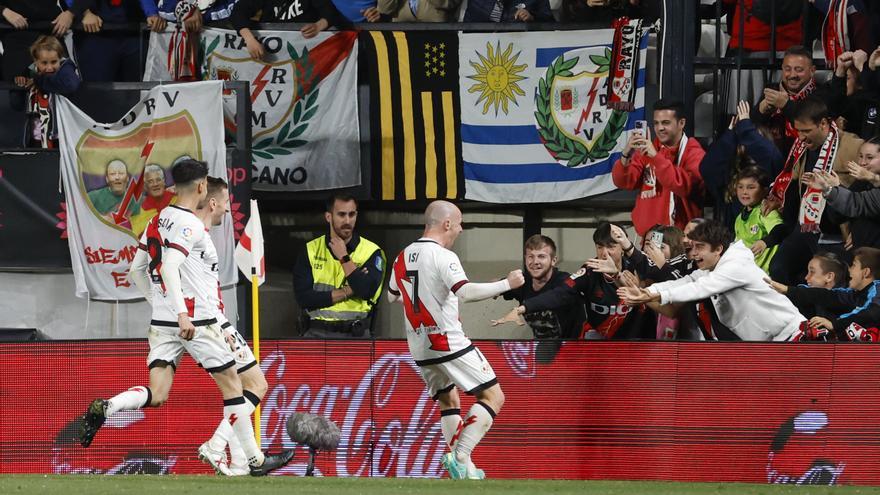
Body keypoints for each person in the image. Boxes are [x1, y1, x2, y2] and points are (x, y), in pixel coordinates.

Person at [76, 160, 292, 476]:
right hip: (199, 321)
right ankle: (253, 460)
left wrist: (160, 303)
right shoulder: (189, 225)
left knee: (158, 393)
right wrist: (181, 313)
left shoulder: (157, 220)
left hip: (164, 322)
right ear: (203, 188)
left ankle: (110, 407)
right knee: (236, 386)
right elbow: (168, 266)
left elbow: (137, 269)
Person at [387, 200, 525, 480]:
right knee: (494, 396)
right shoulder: (442, 256)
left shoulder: (402, 256)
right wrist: (506, 284)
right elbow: (465, 292)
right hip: (447, 341)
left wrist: (424, 297)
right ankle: (461, 454)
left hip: (419, 346)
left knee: (449, 401)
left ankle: (463, 471)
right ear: (447, 223)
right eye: (459, 223)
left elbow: (392, 295)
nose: (461, 230)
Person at [617, 220, 808, 341]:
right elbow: (687, 282)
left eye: (700, 247)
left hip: (795, 337)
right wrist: (647, 292)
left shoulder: (736, 265)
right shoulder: (713, 267)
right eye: (693, 247)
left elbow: (700, 288)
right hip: (773, 345)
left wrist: (653, 294)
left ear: (718, 249)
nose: (694, 253)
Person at [193, 177, 269, 476]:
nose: (228, 209)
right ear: (213, 202)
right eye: (225, 202)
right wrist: (215, 323)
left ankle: (239, 461)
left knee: (238, 391)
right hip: (214, 323)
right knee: (256, 385)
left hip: (212, 321)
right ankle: (218, 446)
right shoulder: (195, 235)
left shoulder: (199, 234)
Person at [493, 222, 655, 340]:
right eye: (599, 247)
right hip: (599, 343)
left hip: (638, 341)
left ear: (622, 247)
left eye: (611, 246)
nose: (604, 253)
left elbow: (652, 293)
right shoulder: (589, 271)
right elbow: (560, 293)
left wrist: (617, 276)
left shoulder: (640, 267)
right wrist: (522, 308)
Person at [765, 96, 863, 285]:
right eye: (798, 130)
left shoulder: (854, 146)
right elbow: (792, 178)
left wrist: (858, 227)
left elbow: (869, 185)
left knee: (824, 284)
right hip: (807, 226)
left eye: (806, 131)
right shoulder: (802, 146)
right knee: (779, 268)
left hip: (837, 233)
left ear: (824, 124)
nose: (801, 137)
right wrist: (778, 196)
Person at [293, 194, 385, 338]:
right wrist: (349, 290)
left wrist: (344, 257)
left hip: (356, 337)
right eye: (341, 214)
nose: (347, 221)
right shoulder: (310, 250)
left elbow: (366, 291)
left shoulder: (372, 252)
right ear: (328, 217)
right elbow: (304, 299)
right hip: (316, 336)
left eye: (352, 214)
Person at [611, 98, 706, 238]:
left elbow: (683, 185)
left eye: (666, 123)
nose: (660, 128)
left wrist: (655, 157)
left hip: (679, 239)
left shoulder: (693, 152)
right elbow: (624, 182)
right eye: (656, 123)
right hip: (648, 237)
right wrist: (626, 154)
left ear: (681, 123)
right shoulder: (649, 147)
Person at [500, 234, 586, 362]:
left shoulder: (564, 281)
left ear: (553, 260)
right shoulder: (523, 283)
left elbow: (554, 297)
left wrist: (521, 309)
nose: (535, 262)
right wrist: (501, 284)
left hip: (577, 350)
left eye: (541, 256)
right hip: (544, 352)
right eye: (530, 256)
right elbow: (493, 286)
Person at [768, 247, 880, 342]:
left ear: (866, 272)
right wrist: (788, 290)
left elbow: (872, 313)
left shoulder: (877, 289)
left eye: (854, 266)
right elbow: (825, 295)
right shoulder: (854, 294)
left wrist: (834, 325)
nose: (849, 270)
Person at [11, 35, 80, 148]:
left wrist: (39, 80)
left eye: (54, 62)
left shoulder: (66, 67)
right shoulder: (31, 70)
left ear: (60, 58)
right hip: (36, 135)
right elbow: (17, 99)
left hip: (62, 136)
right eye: (44, 63)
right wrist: (20, 80)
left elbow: (71, 85)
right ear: (35, 61)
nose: (49, 68)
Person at [230, 0, 342, 60]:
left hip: (304, 55)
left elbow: (331, 12)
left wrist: (318, 26)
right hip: (270, 55)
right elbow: (238, 12)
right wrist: (249, 39)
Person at [732, 166, 785, 273]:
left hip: (763, 276)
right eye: (740, 187)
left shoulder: (765, 211)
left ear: (764, 191)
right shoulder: (739, 218)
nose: (744, 192)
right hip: (744, 272)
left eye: (751, 187)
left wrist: (764, 242)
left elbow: (780, 230)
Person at [462, 0, 553, 23]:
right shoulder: (477, 2)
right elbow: (468, 29)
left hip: (525, 50)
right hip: (481, 51)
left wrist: (532, 17)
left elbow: (550, 23)